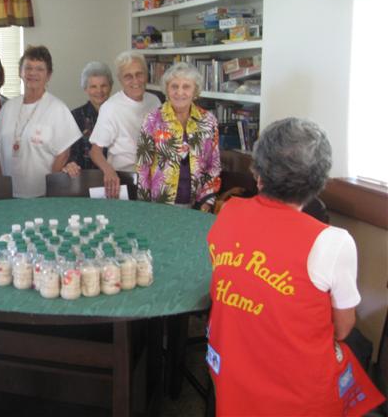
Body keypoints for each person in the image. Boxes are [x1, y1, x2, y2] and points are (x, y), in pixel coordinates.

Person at [206, 118, 385, 415]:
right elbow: (343, 329)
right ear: (317, 181)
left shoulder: (228, 212)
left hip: (229, 371)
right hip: (297, 391)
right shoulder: (334, 241)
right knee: (353, 355)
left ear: (258, 173)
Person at [0, 45, 81, 198]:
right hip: (8, 195)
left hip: (41, 195)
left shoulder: (57, 108)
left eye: (40, 69)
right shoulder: (8, 107)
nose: (33, 73)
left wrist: (50, 191)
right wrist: (0, 188)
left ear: (48, 75)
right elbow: (0, 151)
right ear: (20, 72)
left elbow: (63, 154)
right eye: (28, 68)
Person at [136, 62, 220, 211]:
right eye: (174, 86)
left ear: (195, 91)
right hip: (159, 205)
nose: (180, 92)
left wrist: (207, 201)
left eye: (186, 87)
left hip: (197, 204)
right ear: (167, 90)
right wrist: (144, 206)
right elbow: (143, 167)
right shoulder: (152, 120)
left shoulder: (208, 121)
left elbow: (213, 165)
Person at [88, 50, 161, 198]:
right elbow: (95, 152)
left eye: (139, 74)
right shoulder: (110, 108)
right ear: (120, 80)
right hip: (125, 178)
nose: (135, 81)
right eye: (128, 76)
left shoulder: (155, 101)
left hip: (154, 176)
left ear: (146, 75)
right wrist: (108, 171)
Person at [62, 61, 113, 177]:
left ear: (110, 87)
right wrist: (70, 164)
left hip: (115, 177)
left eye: (104, 86)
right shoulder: (75, 116)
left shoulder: (118, 114)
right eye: (93, 86)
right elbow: (70, 152)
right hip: (83, 179)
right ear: (85, 89)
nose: (99, 91)